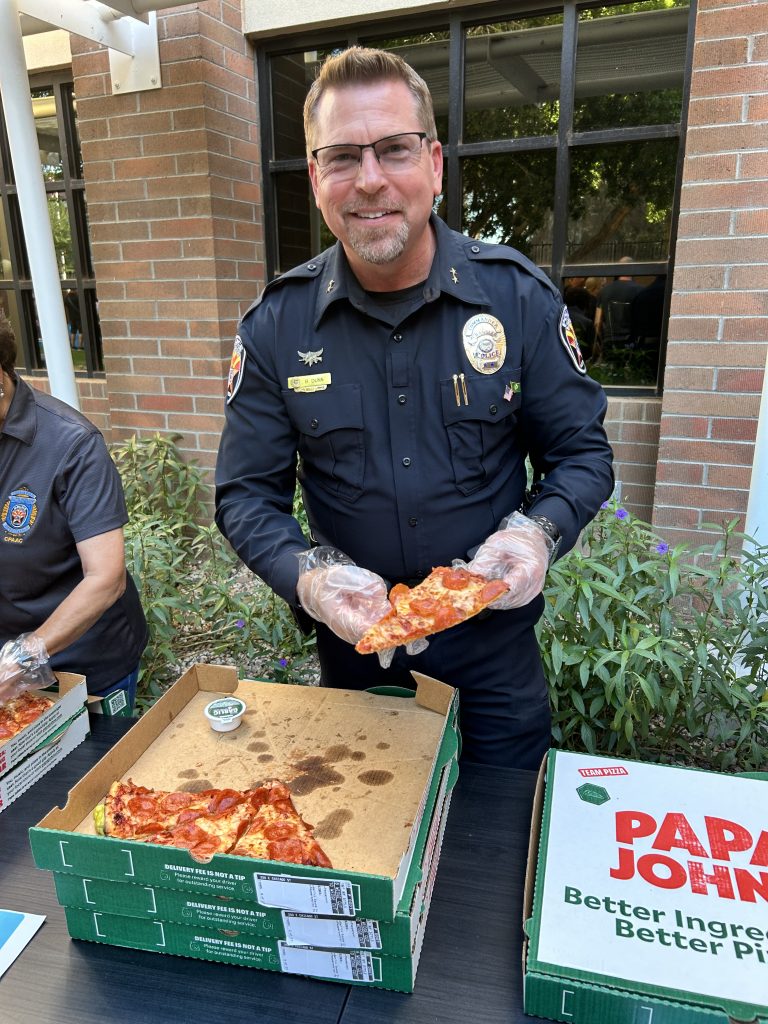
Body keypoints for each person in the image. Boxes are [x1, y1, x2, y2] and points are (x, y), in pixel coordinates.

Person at [215, 47, 614, 769]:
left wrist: (536, 534)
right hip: (357, 658)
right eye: (342, 157)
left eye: (394, 149)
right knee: (372, 849)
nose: (370, 180)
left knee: (500, 852)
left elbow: (581, 455)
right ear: (315, 178)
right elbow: (246, 495)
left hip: (493, 660)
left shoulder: (517, 300)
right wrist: (309, 577)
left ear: (433, 163)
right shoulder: (276, 325)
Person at [0, 314, 148, 714]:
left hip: (85, 663)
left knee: (96, 772)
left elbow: (105, 578)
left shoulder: (72, 444)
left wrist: (24, 659)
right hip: (5, 657)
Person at [594, 258, 642, 351]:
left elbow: (597, 323)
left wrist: (602, 340)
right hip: (631, 344)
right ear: (633, 269)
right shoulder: (640, 291)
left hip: (609, 342)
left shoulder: (604, 291)